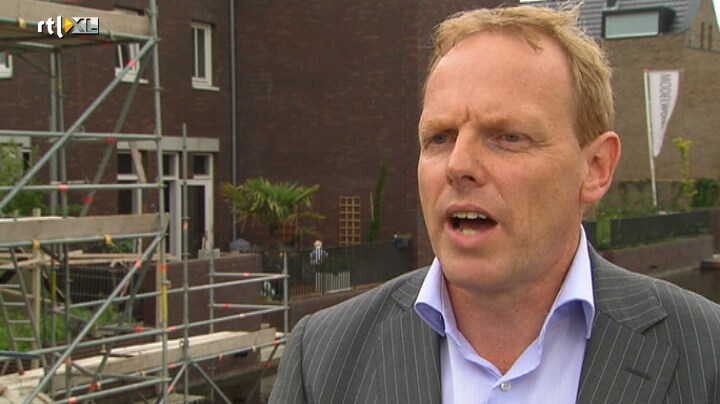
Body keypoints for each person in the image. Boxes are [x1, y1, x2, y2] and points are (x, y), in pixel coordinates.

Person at [270, 6, 720, 403]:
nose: (458, 165)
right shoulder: (323, 357)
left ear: (595, 167)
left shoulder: (706, 352)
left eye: (507, 136)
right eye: (440, 138)